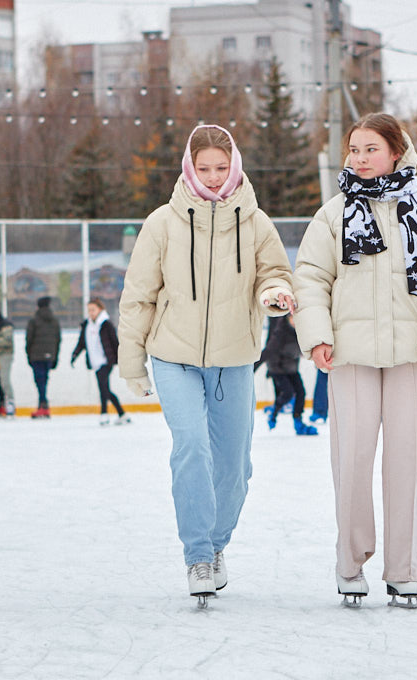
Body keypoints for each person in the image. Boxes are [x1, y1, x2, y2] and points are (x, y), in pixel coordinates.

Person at [118, 123, 294, 606]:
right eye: (204, 169)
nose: (214, 178)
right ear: (189, 169)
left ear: (234, 165)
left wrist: (274, 293)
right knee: (192, 447)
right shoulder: (162, 224)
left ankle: (217, 545)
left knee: (236, 466)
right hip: (173, 356)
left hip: (233, 359)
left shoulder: (256, 223)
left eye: (221, 167)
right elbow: (137, 297)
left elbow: (275, 272)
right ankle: (197, 554)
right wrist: (132, 362)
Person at [293, 113, 417, 608]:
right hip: (349, 356)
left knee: (408, 459)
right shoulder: (333, 214)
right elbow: (310, 279)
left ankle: (405, 568)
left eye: (371, 149)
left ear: (395, 152)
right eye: (354, 149)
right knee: (352, 459)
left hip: (413, 354)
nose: (361, 158)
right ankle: (350, 564)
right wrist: (318, 335)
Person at [71, 298, 128, 425]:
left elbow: (115, 342)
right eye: (89, 310)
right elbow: (82, 342)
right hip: (94, 361)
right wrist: (75, 354)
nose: (91, 312)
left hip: (106, 361)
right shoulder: (87, 324)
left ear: (100, 309)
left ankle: (104, 413)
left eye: (93, 310)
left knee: (103, 387)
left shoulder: (106, 324)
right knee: (105, 388)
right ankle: (121, 413)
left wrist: (120, 359)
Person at [258, 313, 317, 435]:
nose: (294, 322)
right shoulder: (280, 332)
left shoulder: (301, 332)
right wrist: (252, 368)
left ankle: (298, 421)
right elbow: (268, 351)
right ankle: (273, 414)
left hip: (291, 368)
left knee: (301, 392)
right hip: (277, 368)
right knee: (288, 393)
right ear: (287, 319)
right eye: (292, 319)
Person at [25, 296, 61, 418]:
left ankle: (43, 405)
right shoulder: (55, 321)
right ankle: (43, 404)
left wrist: (28, 355)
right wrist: (55, 357)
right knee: (44, 380)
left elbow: (29, 339)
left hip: (36, 355)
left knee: (40, 381)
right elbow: (58, 340)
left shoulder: (34, 320)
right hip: (49, 355)